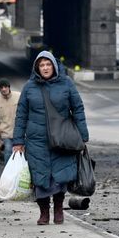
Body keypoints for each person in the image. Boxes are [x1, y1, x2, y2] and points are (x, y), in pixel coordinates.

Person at [12, 50, 88, 225]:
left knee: (60, 176)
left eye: (48, 64)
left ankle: (59, 209)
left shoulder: (67, 84)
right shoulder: (29, 87)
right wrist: (18, 141)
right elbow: (21, 115)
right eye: (42, 65)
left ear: (54, 65)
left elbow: (78, 109)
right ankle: (44, 212)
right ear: (37, 68)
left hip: (62, 138)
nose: (45, 68)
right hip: (37, 140)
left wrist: (83, 136)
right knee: (40, 177)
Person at [0, 78, 20, 164]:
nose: (3, 89)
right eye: (1, 88)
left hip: (21, 132)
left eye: (5, 87)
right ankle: (8, 173)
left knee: (22, 153)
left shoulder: (19, 96)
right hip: (7, 133)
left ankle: (22, 173)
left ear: (9, 87)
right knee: (8, 152)